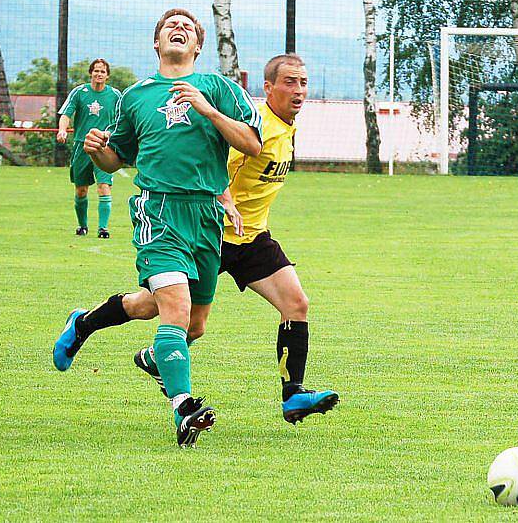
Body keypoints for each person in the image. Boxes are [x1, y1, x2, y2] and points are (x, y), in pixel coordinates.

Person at [51, 54, 338, 424]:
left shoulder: (287, 127)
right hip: (211, 230)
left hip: (250, 238)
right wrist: (226, 201)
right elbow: (216, 162)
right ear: (268, 88)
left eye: (303, 83)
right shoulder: (257, 125)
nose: (298, 90)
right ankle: (84, 324)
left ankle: (293, 394)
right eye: (289, 82)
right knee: (159, 309)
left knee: (296, 303)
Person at [53, 8, 262, 447]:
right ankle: (184, 407)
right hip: (158, 210)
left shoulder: (219, 89)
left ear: (199, 46)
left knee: (188, 322)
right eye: (171, 25)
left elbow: (252, 143)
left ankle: (86, 323)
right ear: (156, 42)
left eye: (188, 27)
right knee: (177, 306)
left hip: (206, 216)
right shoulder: (136, 96)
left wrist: (208, 111)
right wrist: (96, 152)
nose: (179, 28)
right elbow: (117, 156)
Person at [56, 59, 121, 238]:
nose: (99, 74)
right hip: (82, 146)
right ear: (91, 73)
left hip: (104, 147)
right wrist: (62, 130)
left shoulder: (115, 95)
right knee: (81, 189)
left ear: (107, 75)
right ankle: (82, 226)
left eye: (102, 71)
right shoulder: (79, 92)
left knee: (104, 186)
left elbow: (124, 117)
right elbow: (66, 114)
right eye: (96, 71)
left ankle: (103, 228)